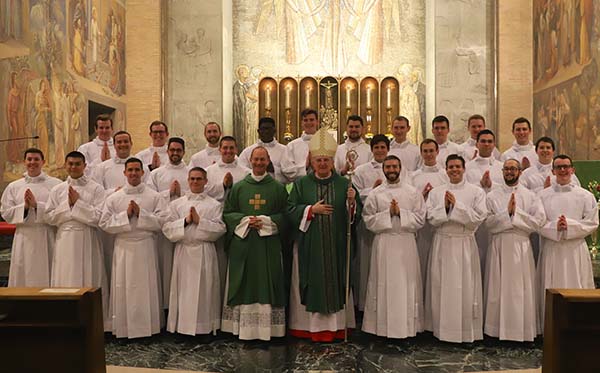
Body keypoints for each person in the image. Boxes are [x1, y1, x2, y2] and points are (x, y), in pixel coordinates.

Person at [288, 128, 361, 342]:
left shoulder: (344, 184)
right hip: (309, 246)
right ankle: (307, 328)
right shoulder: (301, 184)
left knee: (337, 281)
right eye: (318, 160)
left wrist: (352, 203)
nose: (322, 164)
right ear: (311, 161)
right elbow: (290, 210)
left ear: (332, 162)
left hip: (336, 246)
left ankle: (337, 328)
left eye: (326, 160)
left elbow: (355, 217)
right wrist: (310, 211)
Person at [221, 147, 288, 340]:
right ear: (250, 161)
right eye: (256, 159)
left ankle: (270, 330)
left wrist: (266, 222)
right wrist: (245, 221)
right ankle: (243, 329)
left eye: (262, 159)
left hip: (268, 246)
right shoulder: (239, 187)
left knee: (268, 280)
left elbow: (286, 215)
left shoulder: (278, 188)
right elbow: (228, 213)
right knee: (244, 280)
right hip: (244, 245)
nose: (259, 163)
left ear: (268, 161)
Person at [99, 158, 168, 338]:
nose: (134, 173)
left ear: (143, 172)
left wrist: (141, 214)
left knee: (146, 287)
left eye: (137, 170)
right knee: (124, 286)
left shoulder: (154, 196)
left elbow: (163, 222)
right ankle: (124, 329)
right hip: (124, 247)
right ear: (124, 173)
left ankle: (148, 329)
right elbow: (104, 223)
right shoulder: (114, 198)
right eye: (130, 170)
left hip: (145, 246)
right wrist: (125, 216)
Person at [362, 155, 426, 339]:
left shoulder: (412, 192)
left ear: (400, 168)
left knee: (406, 284)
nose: (391, 170)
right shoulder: (375, 194)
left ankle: (407, 328)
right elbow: (368, 219)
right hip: (384, 242)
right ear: (383, 169)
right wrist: (387, 214)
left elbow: (421, 219)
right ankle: (380, 329)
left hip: (405, 243)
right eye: (388, 167)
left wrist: (401, 213)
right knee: (382, 283)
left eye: (394, 167)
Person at [425, 154, 487, 343]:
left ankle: (465, 331)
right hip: (443, 242)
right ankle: (441, 330)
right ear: (446, 170)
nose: (454, 170)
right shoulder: (436, 192)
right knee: (441, 285)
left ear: (463, 168)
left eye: (457, 167)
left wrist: (456, 206)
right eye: (450, 167)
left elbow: (479, 217)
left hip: (464, 243)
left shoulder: (476, 191)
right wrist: (444, 208)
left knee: (465, 287)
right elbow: (430, 217)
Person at [45, 151, 109, 329]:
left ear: (84, 166)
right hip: (65, 238)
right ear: (66, 165)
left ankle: (93, 323)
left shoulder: (96, 188)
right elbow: (49, 217)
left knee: (89, 277)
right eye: (70, 164)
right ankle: (64, 321)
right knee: (65, 277)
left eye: (77, 164)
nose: (73, 167)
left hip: (87, 236)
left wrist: (78, 204)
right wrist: (69, 205)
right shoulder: (57, 190)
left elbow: (99, 217)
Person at [484, 159, 546, 341]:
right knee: (498, 288)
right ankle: (495, 331)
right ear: (502, 171)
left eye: (513, 169)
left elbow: (538, 221)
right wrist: (507, 214)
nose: (509, 172)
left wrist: (515, 214)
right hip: (499, 246)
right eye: (507, 169)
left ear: (520, 171)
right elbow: (487, 223)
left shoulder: (531, 196)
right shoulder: (492, 196)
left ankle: (522, 331)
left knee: (521, 290)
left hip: (521, 246)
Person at [162, 167, 226, 336]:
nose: (195, 182)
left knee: (205, 292)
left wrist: (200, 221)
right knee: (183, 293)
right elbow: (167, 228)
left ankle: (204, 329)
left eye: (199, 179)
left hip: (204, 252)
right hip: (184, 252)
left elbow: (220, 229)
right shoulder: (176, 204)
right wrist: (185, 221)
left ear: (206, 182)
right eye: (192, 179)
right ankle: (182, 328)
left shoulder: (214, 205)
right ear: (187, 181)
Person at [537, 155, 598, 331]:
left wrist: (569, 226)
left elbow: (593, 222)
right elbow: (537, 222)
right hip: (553, 248)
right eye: (558, 167)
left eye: (566, 167)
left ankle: (579, 327)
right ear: (553, 171)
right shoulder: (542, 195)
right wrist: (555, 227)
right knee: (552, 287)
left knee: (576, 286)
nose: (562, 170)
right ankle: (548, 328)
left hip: (575, 250)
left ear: (573, 170)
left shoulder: (585, 195)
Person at [0, 148, 61, 287]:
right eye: (29, 159)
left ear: (43, 162)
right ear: (24, 162)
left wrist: (37, 205)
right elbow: (6, 212)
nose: (32, 162)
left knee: (47, 272)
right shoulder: (14, 186)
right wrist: (25, 208)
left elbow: (59, 211)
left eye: (36, 159)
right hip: (24, 236)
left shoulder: (56, 184)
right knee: (23, 273)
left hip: (46, 234)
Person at [148, 137, 190, 309]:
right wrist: (168, 193)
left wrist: (181, 193)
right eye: (172, 150)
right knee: (164, 267)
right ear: (167, 151)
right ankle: (164, 307)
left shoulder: (190, 172)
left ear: (184, 152)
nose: (175, 153)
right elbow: (149, 197)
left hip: (184, 227)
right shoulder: (156, 174)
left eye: (178, 150)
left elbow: (198, 194)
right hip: (163, 227)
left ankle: (180, 307)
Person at [351, 134, 389, 311]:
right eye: (377, 147)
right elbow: (356, 195)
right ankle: (364, 303)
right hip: (368, 221)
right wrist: (373, 191)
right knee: (365, 262)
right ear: (371, 150)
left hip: (389, 224)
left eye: (383, 147)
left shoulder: (395, 168)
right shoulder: (361, 170)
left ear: (388, 149)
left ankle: (385, 301)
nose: (380, 150)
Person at [411, 139, 448, 286]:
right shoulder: (413, 176)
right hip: (421, 227)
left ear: (437, 152)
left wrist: (435, 198)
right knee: (422, 261)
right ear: (421, 153)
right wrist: (423, 196)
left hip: (440, 225)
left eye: (431, 151)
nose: (428, 154)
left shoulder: (445, 175)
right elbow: (410, 199)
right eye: (425, 151)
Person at [238, 117, 287, 184]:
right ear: (258, 131)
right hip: (253, 187)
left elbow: (290, 173)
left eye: (269, 129)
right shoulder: (247, 151)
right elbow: (240, 169)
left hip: (275, 188)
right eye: (263, 129)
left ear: (274, 130)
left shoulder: (284, 150)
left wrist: (274, 169)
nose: (266, 132)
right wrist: (257, 171)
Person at [205, 136, 250, 203]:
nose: (228, 151)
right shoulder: (208, 171)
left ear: (236, 150)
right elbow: (205, 192)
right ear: (219, 150)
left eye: (231, 148)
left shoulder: (246, 172)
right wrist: (223, 185)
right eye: (225, 148)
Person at [280, 109, 319, 182]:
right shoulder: (292, 145)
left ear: (317, 122)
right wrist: (305, 167)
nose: (309, 123)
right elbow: (286, 169)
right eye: (305, 120)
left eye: (311, 120)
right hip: (300, 185)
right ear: (301, 123)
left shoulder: (326, 143)